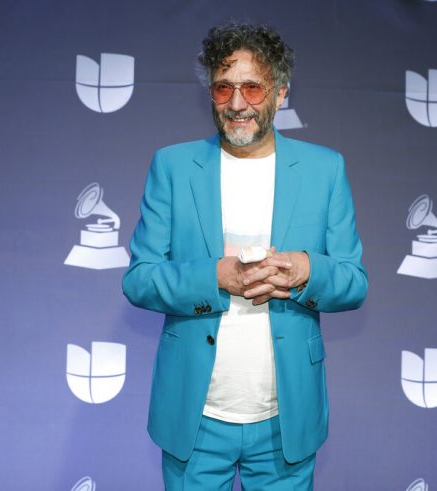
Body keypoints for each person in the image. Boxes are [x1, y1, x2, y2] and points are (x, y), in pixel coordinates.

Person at [122, 22, 367, 490]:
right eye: (223, 88)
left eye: (252, 87)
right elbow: (139, 278)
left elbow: (354, 281)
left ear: (280, 93)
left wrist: (304, 271)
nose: (237, 104)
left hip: (286, 420)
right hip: (194, 419)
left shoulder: (325, 169)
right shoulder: (172, 166)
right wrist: (214, 277)